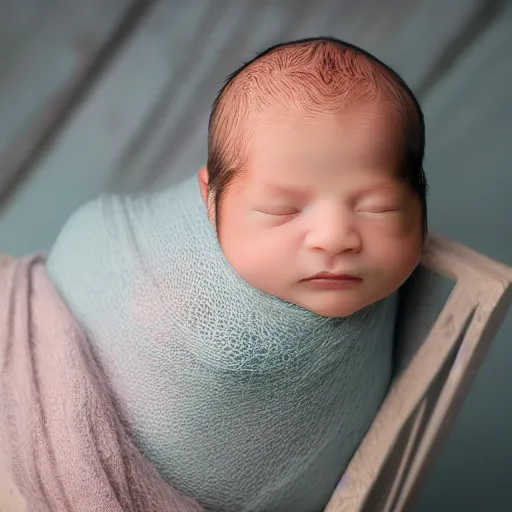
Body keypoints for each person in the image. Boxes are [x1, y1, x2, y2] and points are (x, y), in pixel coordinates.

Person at [45, 37, 428, 512]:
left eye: (380, 208)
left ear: (420, 201)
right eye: (281, 210)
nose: (334, 238)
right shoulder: (180, 297)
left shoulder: (377, 294)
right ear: (209, 200)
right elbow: (92, 262)